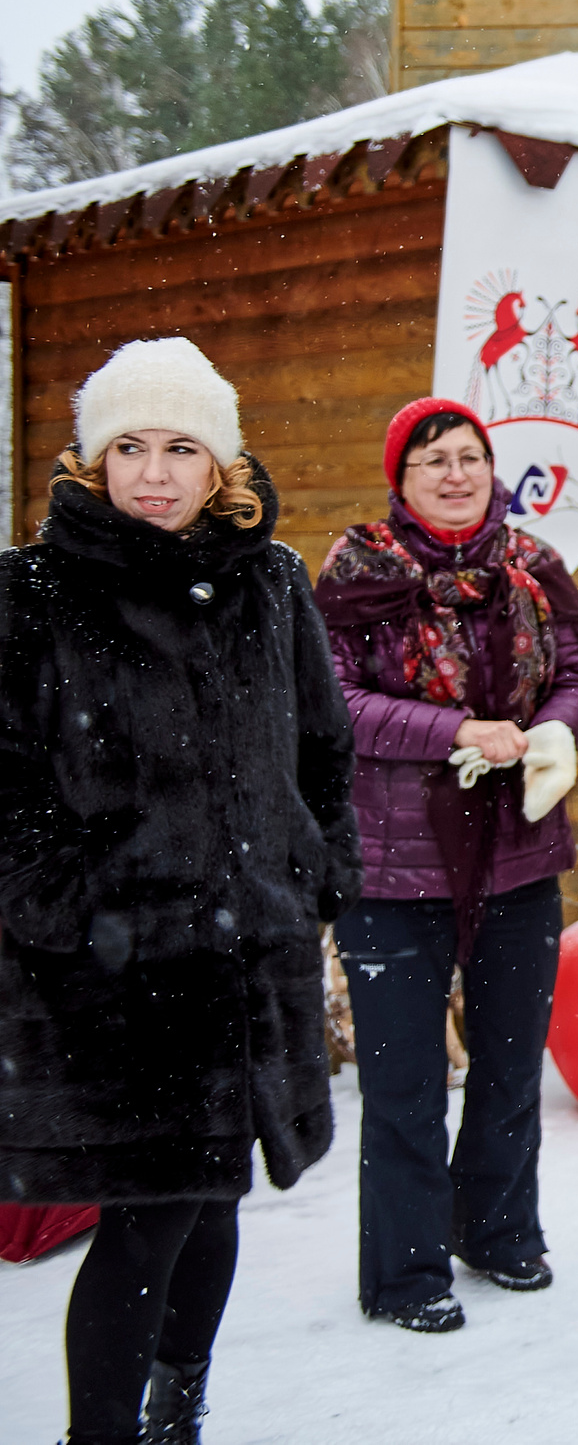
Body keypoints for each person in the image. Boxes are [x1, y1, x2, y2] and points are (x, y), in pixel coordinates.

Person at [0, 338, 359, 1445]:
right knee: (147, 1218)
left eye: (181, 449)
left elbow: (321, 750)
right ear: (92, 460)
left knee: (214, 1197)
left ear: (222, 466)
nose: (153, 472)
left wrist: (316, 871)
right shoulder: (32, 591)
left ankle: (176, 1406)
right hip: (112, 973)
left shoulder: (271, 580)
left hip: (249, 955)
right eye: (131, 448)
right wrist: (71, 906)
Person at [316, 398, 578, 1333]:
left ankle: (501, 1230)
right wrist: (455, 732)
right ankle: (404, 1272)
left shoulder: (531, 567)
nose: (454, 473)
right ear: (399, 477)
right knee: (402, 1083)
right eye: (432, 459)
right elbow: (335, 700)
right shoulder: (358, 572)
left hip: (518, 852)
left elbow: (577, 670)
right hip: (394, 869)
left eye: (470, 456)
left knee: (513, 1063)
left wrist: (555, 727)